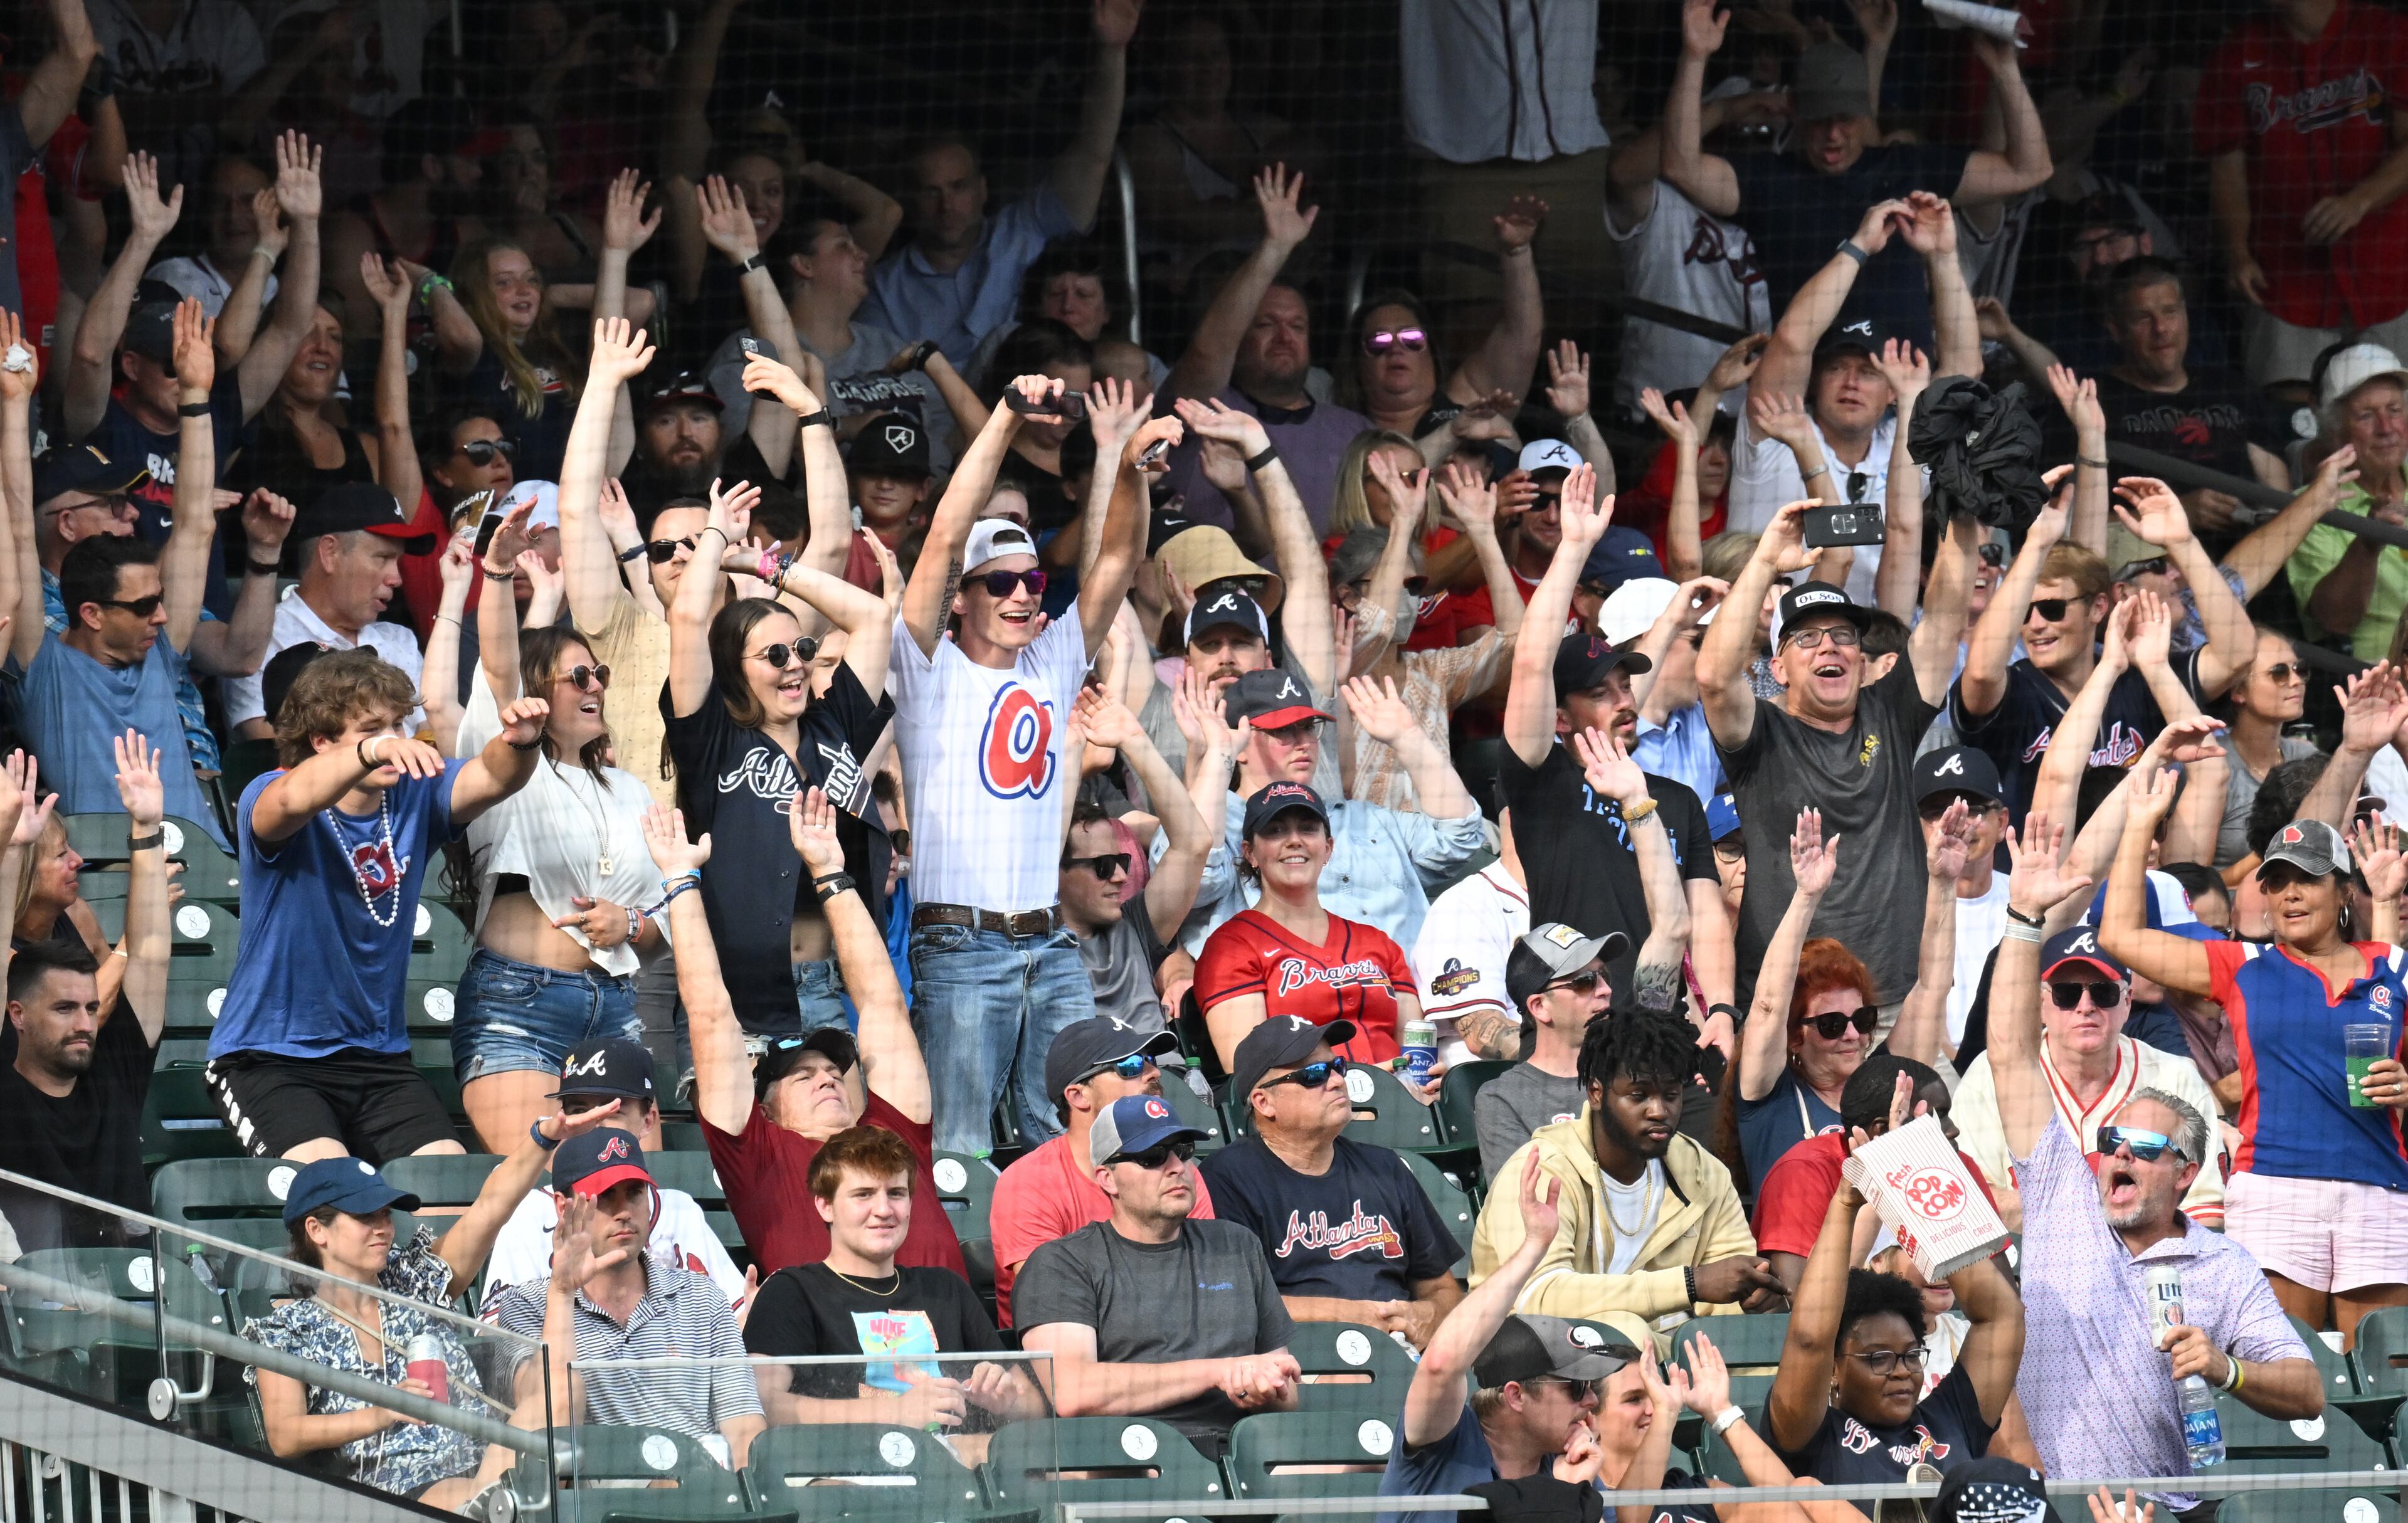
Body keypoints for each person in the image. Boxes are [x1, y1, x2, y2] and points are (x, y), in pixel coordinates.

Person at [1982, 811, 2321, 1510]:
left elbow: (2306, 1386)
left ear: (2186, 1172)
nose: (2118, 1157)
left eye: (2144, 1147)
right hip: (2053, 1505)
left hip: (2167, 1511)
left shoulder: (2222, 1267)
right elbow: (2012, 1053)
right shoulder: (2062, 1198)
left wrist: (2227, 1369)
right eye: (2112, 1142)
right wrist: (2021, 919)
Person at [889, 378, 1160, 1154]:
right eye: (998, 582)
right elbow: (942, 537)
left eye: (1032, 580)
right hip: (960, 947)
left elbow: (1117, 554)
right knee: (960, 1150)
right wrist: (1006, 414)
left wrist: (1132, 464)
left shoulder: (1052, 660)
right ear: (960, 599)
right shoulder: (925, 667)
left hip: (1052, 943)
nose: (1018, 593)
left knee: (1085, 1140)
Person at [204, 648, 547, 1161]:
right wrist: (370, 754)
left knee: (448, 1186)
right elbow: (291, 801)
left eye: (399, 725)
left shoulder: (414, 793)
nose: (396, 741)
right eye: (372, 728)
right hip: (269, 1058)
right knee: (335, 1196)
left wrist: (522, 743)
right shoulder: (269, 790)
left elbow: (494, 777)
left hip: (378, 1058)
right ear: (321, 742)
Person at [2101, 784, 2408, 1346]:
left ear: (2343, 892)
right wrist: (2140, 822)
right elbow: (2120, 936)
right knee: (2283, 1370)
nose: (2290, 894)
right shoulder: (2243, 964)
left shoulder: (2393, 964)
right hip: (2276, 1188)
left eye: (2308, 879)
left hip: (2379, 1189)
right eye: (2277, 881)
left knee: (2389, 1386)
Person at [654, 792, 963, 1278]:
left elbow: (883, 1007)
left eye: (832, 1071)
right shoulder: (759, 1159)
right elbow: (711, 1017)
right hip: (828, 1351)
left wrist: (830, 873)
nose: (827, 1079)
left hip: (948, 1344)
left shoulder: (893, 1135)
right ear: (767, 1109)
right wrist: (680, 881)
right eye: (802, 1076)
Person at [243, 1112, 616, 1509]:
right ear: (317, 1231)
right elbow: (285, 1435)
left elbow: (490, 1208)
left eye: (386, 1214)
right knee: (518, 1497)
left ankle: (497, 1503)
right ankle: (499, 1505)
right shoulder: (289, 1330)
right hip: (390, 1492)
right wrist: (384, 1410)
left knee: (561, 1385)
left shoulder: (416, 1283)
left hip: (484, 1465)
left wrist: (543, 1138)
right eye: (366, 1217)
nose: (384, 1228)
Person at [1699, 490, 1976, 1016]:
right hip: (1787, 1009)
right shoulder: (1760, 734)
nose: (1829, 646)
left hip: (1893, 1002)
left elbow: (1942, 621)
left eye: (1843, 634)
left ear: (1862, 658)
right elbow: (1713, 676)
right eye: (1806, 639)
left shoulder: (1890, 713)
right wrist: (1764, 561)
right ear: (1777, 669)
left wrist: (1963, 514)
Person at [445, 505, 669, 1152]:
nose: (596, 682)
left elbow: (665, 923)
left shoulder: (630, 790)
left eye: (599, 672)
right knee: (544, 1189)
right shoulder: (509, 766)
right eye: (579, 675)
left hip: (617, 1010)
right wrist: (494, 572)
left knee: (628, 1190)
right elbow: (496, 669)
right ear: (538, 689)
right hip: (516, 1008)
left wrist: (629, 924)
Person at [1654, 0, 2047, 339]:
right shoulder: (1769, 177)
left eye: (1846, 120)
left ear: (1866, 114)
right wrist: (1694, 57)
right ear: (1795, 113)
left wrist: (2005, 70)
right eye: (1819, 120)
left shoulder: (1908, 169)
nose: (1833, 135)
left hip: (1903, 393)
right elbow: (1680, 166)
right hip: (1803, 393)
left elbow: (2029, 170)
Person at [665, 466, 892, 1038]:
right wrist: (716, 541)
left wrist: (767, 567)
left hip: (833, 990)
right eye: (773, 655)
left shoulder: (833, 724)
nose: (794, 663)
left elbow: (872, 616)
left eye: (803, 648)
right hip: (736, 1000)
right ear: (732, 671)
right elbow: (688, 617)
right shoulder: (711, 736)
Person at [1502, 464, 1729, 1020]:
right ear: (1560, 717)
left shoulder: (1677, 800)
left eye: (1627, 686)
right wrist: (1574, 549)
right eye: (1599, 693)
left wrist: (1722, 1011)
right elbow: (1532, 663)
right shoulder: (1543, 780)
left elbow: (1708, 919)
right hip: (1574, 1026)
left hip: (1661, 1026)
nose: (1624, 700)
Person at [11, 300, 237, 846]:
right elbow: (19, 529)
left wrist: (196, 395)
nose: (162, 615)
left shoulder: (161, 648)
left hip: (209, 866)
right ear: (89, 613)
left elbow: (194, 527)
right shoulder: (43, 667)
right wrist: (15, 408)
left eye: (158, 599)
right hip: (101, 878)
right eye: (142, 607)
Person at [1016, 1094, 1301, 1456]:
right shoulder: (1063, 1262)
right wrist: (1218, 1372)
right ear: (1108, 1179)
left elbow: (1288, 1397)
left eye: (1181, 1150)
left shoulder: (1236, 1244)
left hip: (1247, 1450)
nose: (1176, 1167)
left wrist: (1264, 1388)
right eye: (1151, 1157)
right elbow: (1073, 1391)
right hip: (1132, 1456)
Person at [858, 0, 1136, 362]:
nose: (947, 205)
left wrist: (1112, 52)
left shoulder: (1026, 228)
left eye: (959, 186)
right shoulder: (884, 288)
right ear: (909, 200)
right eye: (931, 191)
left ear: (983, 189)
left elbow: (1094, 153)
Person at [1472, 1009, 1785, 1323]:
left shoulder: (1704, 1173)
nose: (1659, 1111)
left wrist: (1751, 1302)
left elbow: (1725, 1295)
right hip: (1543, 1357)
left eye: (1671, 1095)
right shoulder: (1542, 1171)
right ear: (1596, 1093)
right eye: (1639, 1096)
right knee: (1628, 1329)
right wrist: (1691, 1284)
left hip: (1672, 1358)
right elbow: (1537, 1297)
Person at [1761, 1114, 2025, 1483]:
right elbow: (1810, 1339)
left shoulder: (1950, 1419)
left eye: (1912, 1354)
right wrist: (1845, 1203)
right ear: (1833, 1370)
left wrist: (1918, 1163)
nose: (1902, 1370)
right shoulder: (1810, 1435)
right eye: (1879, 1358)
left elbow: (2001, 1316)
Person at [486, 1128, 764, 1463]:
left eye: (634, 1193)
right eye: (604, 1197)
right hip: (594, 1496)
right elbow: (546, 1421)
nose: (624, 1212)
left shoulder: (701, 1296)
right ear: (563, 1207)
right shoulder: (526, 1305)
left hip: (705, 1489)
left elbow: (745, 1429)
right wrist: (561, 1293)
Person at [744, 1123, 1043, 1433]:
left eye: (896, 1194)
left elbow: (1033, 1405)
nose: (884, 1210)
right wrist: (894, 1411)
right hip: (849, 1474)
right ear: (825, 1205)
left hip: (959, 1469)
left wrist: (1007, 1401)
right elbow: (759, 1403)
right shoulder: (792, 1291)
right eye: (864, 1195)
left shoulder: (946, 1288)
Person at [1735, 803, 1967, 1191]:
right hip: (1797, 1249)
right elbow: (1769, 1005)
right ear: (1795, 1035)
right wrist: (1807, 897)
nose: (1852, 1035)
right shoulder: (1767, 1093)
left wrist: (1943, 883)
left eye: (1862, 1020)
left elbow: (1931, 988)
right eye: (1830, 1024)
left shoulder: (1889, 1084)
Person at [1201, 1016, 1464, 1349]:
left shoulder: (1385, 1167)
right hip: (1303, 1360)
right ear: (1264, 1102)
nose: (1338, 1081)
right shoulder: (1227, 1178)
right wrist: (1352, 1315)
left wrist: (1427, 1314)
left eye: (1337, 1066)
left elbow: (1443, 1290)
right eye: (1313, 1075)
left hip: (1403, 1354)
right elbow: (1235, 1303)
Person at [0, 738, 167, 1252]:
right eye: (65, 1008)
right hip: (32, 1308)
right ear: (17, 1014)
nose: (85, 1022)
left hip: (134, 1304)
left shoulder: (114, 1068)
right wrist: (8, 850)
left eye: (92, 1008)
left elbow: (151, 952)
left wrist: (147, 830)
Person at [1952, 922, 2228, 1230]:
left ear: (2127, 1002)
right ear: (2041, 1004)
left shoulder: (2176, 1079)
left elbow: (2206, 1214)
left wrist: (2035, 1207)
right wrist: (2123, 1208)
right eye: (2066, 994)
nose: (2085, 1007)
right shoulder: (1989, 1076)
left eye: (2104, 993)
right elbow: (1972, 1205)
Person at [2199, 0, 2408, 387]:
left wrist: (2359, 201)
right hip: (2284, 283)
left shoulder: (2389, 34)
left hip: (2389, 277)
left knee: (2396, 429)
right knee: (2289, 432)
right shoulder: (2236, 53)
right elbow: (2227, 165)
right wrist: (2238, 252)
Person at [1156, 166, 1370, 531]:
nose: (1285, 337)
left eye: (1297, 326)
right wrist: (1276, 248)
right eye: (1266, 325)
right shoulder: (1201, 413)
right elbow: (1210, 350)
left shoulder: (1354, 432)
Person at [988, 1016, 1223, 1328]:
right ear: (1078, 1096)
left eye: (1151, 1061)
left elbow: (1211, 1281)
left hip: (1176, 1344)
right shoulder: (1030, 1183)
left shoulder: (1177, 1165)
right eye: (1129, 1066)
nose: (1153, 1073)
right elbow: (1056, 1305)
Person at [480, 1038, 746, 1314]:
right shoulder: (530, 1214)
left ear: (648, 1121)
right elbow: (498, 1337)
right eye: (579, 1111)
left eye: (612, 1110)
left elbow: (739, 1317)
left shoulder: (679, 1211)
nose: (592, 1122)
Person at [1194, 781, 1425, 1075]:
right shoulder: (1231, 947)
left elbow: (1415, 1050)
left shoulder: (1377, 942)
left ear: (1328, 848)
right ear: (1250, 853)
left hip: (1402, 1105)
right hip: (1309, 1109)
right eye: (1275, 831)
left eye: (1307, 828)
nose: (1294, 841)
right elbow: (1248, 1074)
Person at [225, 481, 438, 740]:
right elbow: (266, 743)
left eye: (397, 562)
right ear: (330, 552)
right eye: (382, 558)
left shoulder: (399, 639)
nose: (396, 578)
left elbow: (432, 735)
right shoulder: (262, 638)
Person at [1059, 684, 1217, 1030]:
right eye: (1102, 866)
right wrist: (1070, 754)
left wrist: (1135, 740)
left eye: (1122, 862)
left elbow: (1194, 844)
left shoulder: (1136, 928)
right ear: (1057, 874)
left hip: (1160, 1078)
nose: (1119, 876)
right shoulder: (1032, 944)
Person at [2290, 345, 2408, 660]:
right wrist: (2367, 545)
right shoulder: (2310, 508)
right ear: (2335, 432)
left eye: (2394, 410)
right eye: (2366, 416)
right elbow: (2335, 620)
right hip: (2380, 686)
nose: (2386, 429)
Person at [1410, 810, 1534, 1072]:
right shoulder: (1465, 904)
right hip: (1491, 1089)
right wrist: (1594, 1057)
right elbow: (1482, 1032)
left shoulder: (1586, 901)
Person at [1915, 747, 2014, 1051]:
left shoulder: (2028, 900)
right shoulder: (1898, 910)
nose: (1956, 823)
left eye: (1972, 809)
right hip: (1933, 1071)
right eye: (1936, 812)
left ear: (2002, 822)